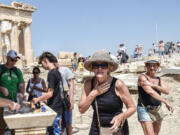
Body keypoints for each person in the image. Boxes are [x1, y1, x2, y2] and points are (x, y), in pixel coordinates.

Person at [78, 51, 136, 135]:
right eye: (96, 65)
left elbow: (132, 107)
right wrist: (94, 93)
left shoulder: (118, 84)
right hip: (96, 128)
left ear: (109, 68)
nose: (99, 68)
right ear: (92, 68)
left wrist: (121, 117)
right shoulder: (88, 84)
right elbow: (81, 109)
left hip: (116, 128)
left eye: (103, 65)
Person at [137, 56, 173, 135]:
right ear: (146, 66)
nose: (152, 68)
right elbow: (150, 92)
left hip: (157, 109)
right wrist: (165, 101)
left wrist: (155, 85)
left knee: (155, 133)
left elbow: (167, 91)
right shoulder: (142, 77)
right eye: (149, 65)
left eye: (154, 65)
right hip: (144, 109)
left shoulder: (159, 79)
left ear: (157, 67)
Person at [32, 52, 64, 135]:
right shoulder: (57, 72)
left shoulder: (51, 73)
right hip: (59, 107)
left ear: (45, 60)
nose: (42, 66)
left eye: (41, 63)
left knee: (54, 132)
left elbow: (50, 93)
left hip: (55, 109)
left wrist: (38, 99)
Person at [0, 50, 25, 134]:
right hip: (2, 104)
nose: (14, 62)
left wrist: (21, 93)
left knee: (14, 128)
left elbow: (21, 85)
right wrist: (1, 88)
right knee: (1, 128)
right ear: (7, 58)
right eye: (12, 60)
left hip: (14, 104)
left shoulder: (17, 71)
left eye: (15, 60)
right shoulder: (0, 69)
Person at [55, 62, 75, 135]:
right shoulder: (53, 72)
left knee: (68, 122)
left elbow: (71, 84)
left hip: (66, 99)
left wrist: (71, 100)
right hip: (57, 101)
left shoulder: (65, 70)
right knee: (59, 122)